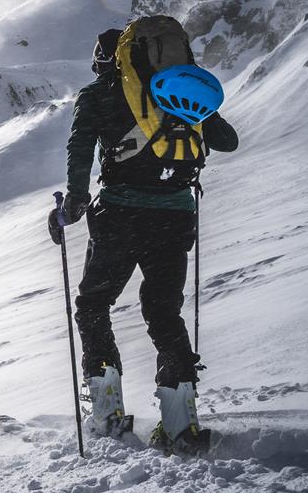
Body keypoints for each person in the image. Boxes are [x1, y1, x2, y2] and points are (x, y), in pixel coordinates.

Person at [61, 24, 238, 452]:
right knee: (163, 310)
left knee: (93, 304)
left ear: (112, 58)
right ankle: (181, 425)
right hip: (175, 215)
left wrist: (74, 203)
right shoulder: (174, 90)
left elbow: (81, 148)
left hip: (119, 215)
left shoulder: (98, 94)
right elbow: (227, 141)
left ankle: (107, 412)